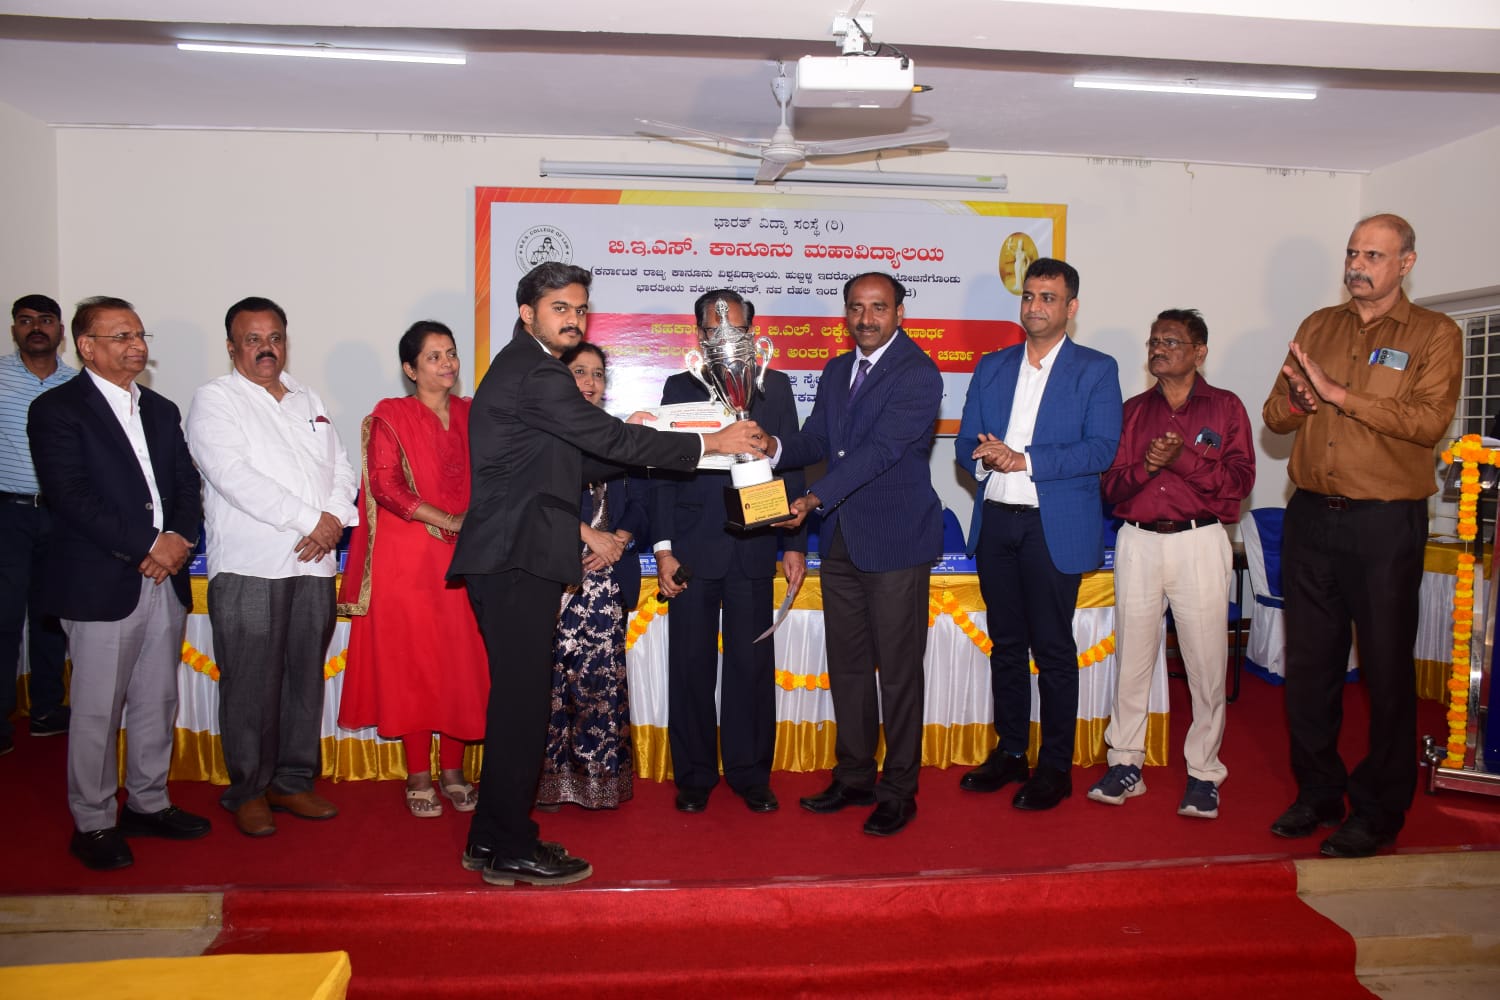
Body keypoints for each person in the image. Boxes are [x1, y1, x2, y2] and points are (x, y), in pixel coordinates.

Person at [449, 261, 768, 886]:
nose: (573, 319)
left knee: (515, 704)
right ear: (527, 313)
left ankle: (489, 837)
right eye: (559, 308)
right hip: (517, 557)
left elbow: (581, 454)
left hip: (511, 556)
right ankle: (511, 845)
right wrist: (711, 444)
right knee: (522, 708)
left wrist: (642, 434)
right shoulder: (538, 373)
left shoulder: (525, 369)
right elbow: (609, 442)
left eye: (579, 309)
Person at [1263, 213, 1461, 858]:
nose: (1358, 265)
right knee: (1309, 667)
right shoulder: (1318, 325)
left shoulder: (1435, 333)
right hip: (1310, 515)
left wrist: (1339, 394)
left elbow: (1428, 422)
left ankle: (1379, 810)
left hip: (1384, 524)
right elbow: (1274, 415)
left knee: (1385, 670)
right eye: (1353, 252)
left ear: (1406, 263)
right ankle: (1318, 792)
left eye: (1374, 255)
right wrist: (1298, 402)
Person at [29, 296, 210, 870]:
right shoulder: (58, 410)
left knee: (157, 699)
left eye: (139, 335)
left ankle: (149, 803)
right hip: (101, 580)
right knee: (97, 710)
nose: (136, 345)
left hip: (163, 576)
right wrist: (146, 545)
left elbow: (186, 484)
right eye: (121, 336)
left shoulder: (159, 408)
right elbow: (71, 496)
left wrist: (177, 538)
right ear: (86, 347)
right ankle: (94, 820)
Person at [775, 271, 944, 837]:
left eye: (878, 307)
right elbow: (818, 440)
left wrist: (814, 497)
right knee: (847, 667)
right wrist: (770, 445)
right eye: (856, 308)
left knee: (897, 672)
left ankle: (899, 790)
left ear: (899, 313)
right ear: (845, 313)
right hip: (842, 540)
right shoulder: (836, 370)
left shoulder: (917, 372)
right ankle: (854, 777)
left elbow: (881, 451)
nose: (866, 318)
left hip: (895, 541)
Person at [187, 296, 359, 838]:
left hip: (313, 564)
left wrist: (334, 519)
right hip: (251, 564)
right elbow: (233, 476)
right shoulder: (216, 399)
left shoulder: (308, 397)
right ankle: (248, 790)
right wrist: (313, 520)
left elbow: (341, 468)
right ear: (232, 346)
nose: (267, 348)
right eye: (254, 339)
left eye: (275, 338)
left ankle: (292, 780)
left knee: (304, 677)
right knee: (251, 683)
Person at [954, 258, 1122, 812]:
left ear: (1071, 307)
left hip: (1053, 528)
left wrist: (1023, 459)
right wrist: (985, 455)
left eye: (1048, 297)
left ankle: (1054, 767)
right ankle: (1010, 752)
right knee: (1005, 644)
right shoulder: (992, 366)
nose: (1035, 306)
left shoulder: (1095, 369)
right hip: (997, 521)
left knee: (1051, 648)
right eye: (1029, 296)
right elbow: (964, 444)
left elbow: (1101, 450)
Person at [1094, 309, 1255, 819]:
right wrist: (1147, 466)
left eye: (1171, 341)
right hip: (1137, 542)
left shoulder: (1225, 407)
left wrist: (1181, 458)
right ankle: (1125, 762)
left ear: (1199, 352)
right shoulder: (1132, 411)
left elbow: (1239, 483)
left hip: (1199, 541)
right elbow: (1109, 486)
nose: (1158, 349)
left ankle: (1204, 772)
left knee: (1206, 662)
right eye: (1153, 341)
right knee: (1132, 658)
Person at [653, 290, 807, 815]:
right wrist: (664, 550)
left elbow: (793, 463)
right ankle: (694, 775)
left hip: (755, 544)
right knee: (690, 664)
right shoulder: (679, 387)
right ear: (699, 336)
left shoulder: (775, 386)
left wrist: (793, 543)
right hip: (692, 549)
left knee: (751, 665)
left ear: (753, 335)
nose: (725, 340)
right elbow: (663, 473)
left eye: (736, 331)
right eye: (715, 331)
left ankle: (750, 774)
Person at [336, 321, 489, 818]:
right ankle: (419, 775)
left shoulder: (473, 413)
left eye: (451, 353)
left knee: (461, 661)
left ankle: (454, 771)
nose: (447, 364)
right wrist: (449, 520)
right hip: (409, 557)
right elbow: (385, 486)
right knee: (416, 663)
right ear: (410, 368)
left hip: (467, 556)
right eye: (433, 357)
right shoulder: (392, 415)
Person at [537, 342, 647, 811]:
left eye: (597, 373)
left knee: (600, 684)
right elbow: (537, 497)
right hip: (557, 577)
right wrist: (588, 536)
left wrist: (616, 541)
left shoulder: (620, 435)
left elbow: (642, 500)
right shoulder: (545, 434)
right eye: (579, 371)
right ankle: (547, 782)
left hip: (607, 582)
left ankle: (599, 782)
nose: (590, 381)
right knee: (551, 683)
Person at [1, 294, 76, 755]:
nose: (36, 328)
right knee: (4, 617)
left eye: (45, 320)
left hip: (61, 515)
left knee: (51, 615)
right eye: (25, 321)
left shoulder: (77, 385)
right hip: (8, 513)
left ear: (60, 331)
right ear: (14, 329)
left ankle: (47, 710)